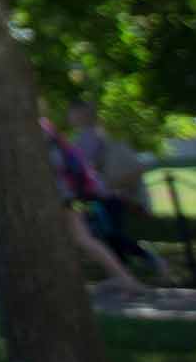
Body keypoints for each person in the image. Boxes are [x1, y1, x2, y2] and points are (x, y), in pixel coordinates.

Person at [68, 100, 174, 282]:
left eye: (73, 112)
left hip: (109, 197)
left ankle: (152, 261)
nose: (69, 116)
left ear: (83, 114)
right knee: (106, 235)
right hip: (100, 196)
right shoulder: (85, 138)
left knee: (111, 234)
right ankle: (124, 275)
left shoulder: (95, 138)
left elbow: (92, 167)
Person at [42, 117, 145, 295]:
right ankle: (126, 280)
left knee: (83, 240)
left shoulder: (36, 130)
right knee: (84, 240)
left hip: (58, 198)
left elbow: (54, 168)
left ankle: (126, 280)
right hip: (67, 197)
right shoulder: (49, 130)